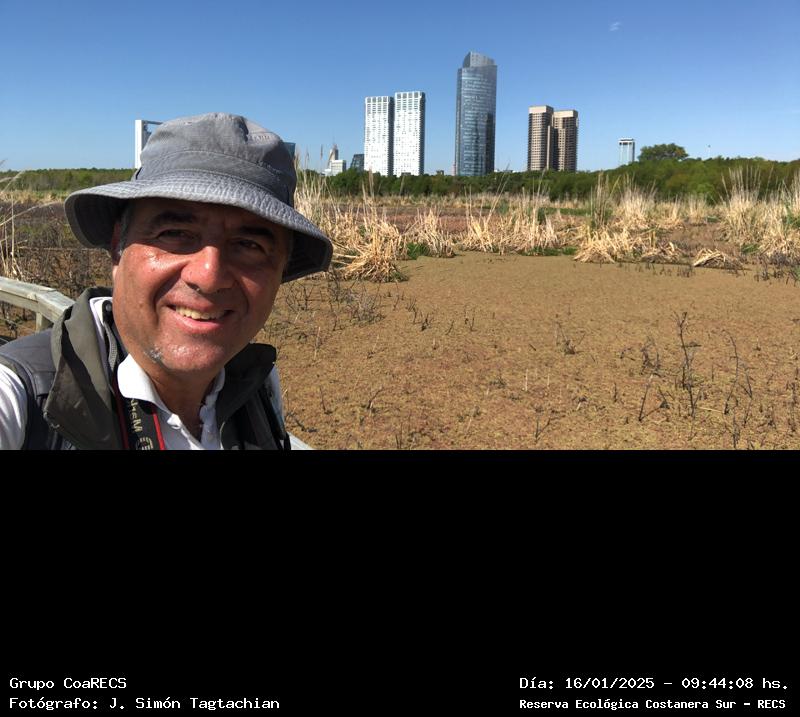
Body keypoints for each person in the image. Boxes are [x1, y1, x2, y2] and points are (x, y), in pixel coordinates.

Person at [0, 112, 332, 449]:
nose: (209, 277)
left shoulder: (256, 384)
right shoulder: (21, 399)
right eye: (174, 233)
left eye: (249, 245)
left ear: (281, 268)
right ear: (118, 247)